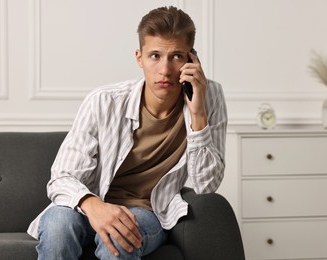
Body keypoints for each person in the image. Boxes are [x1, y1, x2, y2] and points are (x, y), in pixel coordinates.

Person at [27, 6, 227, 260]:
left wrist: (198, 113)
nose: (164, 70)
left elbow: (206, 184)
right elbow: (62, 177)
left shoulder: (210, 97)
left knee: (120, 237)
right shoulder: (104, 101)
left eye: (176, 56)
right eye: (155, 55)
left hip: (146, 212)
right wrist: (95, 206)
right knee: (57, 225)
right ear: (139, 58)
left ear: (191, 60)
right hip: (87, 206)